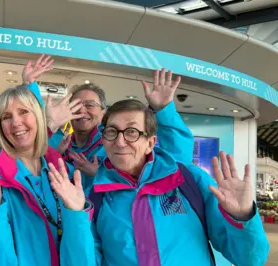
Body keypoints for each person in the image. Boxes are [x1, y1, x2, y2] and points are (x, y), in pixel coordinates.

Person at [92, 99, 269, 266]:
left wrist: (243, 217)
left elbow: (250, 262)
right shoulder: (94, 196)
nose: (120, 142)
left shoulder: (189, 180)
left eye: (132, 132)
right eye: (112, 131)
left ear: (150, 143)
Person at [0, 85, 95, 266]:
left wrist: (76, 213)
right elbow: (3, 263)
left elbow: (85, 260)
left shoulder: (64, 172)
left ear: (39, 117)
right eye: (6, 117)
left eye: (23, 111)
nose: (16, 123)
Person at [28, 58, 194, 192]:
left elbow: (177, 159)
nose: (83, 111)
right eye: (77, 105)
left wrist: (163, 110)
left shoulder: (116, 143)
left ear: (103, 112)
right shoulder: (57, 141)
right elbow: (26, 161)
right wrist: (50, 127)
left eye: (90, 105)